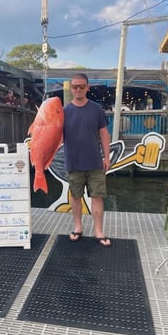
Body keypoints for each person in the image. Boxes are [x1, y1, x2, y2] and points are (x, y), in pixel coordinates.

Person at [63, 73, 111, 246]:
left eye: (81, 86)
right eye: (75, 86)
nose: (78, 89)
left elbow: (104, 134)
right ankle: (78, 227)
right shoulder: (64, 111)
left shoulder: (96, 109)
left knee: (97, 196)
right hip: (73, 162)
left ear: (87, 88)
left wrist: (107, 156)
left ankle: (98, 231)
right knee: (75, 197)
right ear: (71, 88)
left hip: (95, 162)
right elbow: (54, 136)